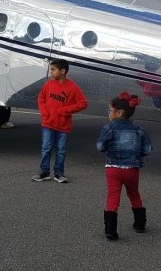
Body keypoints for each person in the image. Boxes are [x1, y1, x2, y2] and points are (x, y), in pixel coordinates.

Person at [97, 92, 152, 240]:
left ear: (119, 112)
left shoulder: (109, 128)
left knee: (113, 196)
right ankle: (140, 224)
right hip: (132, 169)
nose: (108, 113)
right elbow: (147, 150)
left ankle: (111, 230)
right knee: (134, 194)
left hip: (113, 168)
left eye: (110, 110)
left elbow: (100, 146)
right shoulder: (139, 130)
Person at [32, 59, 87, 183]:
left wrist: (65, 111)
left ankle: (59, 173)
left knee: (61, 150)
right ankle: (44, 172)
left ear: (63, 71)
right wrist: (44, 112)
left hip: (63, 125)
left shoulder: (73, 87)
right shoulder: (49, 84)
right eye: (51, 69)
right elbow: (41, 97)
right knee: (46, 148)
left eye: (53, 69)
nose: (50, 72)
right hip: (48, 123)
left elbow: (83, 103)